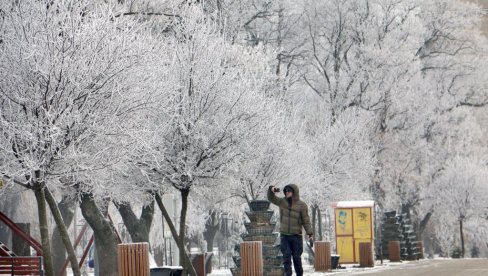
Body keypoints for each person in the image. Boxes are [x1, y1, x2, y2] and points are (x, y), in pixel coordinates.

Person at [268, 184, 313, 276]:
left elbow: (306, 220)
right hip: (285, 236)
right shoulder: (282, 202)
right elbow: (271, 198)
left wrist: (310, 234)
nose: (286, 192)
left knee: (297, 258)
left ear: (294, 192)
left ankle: (299, 274)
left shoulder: (302, 205)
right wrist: (271, 189)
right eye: (285, 191)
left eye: (288, 191)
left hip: (296, 236)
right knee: (286, 257)